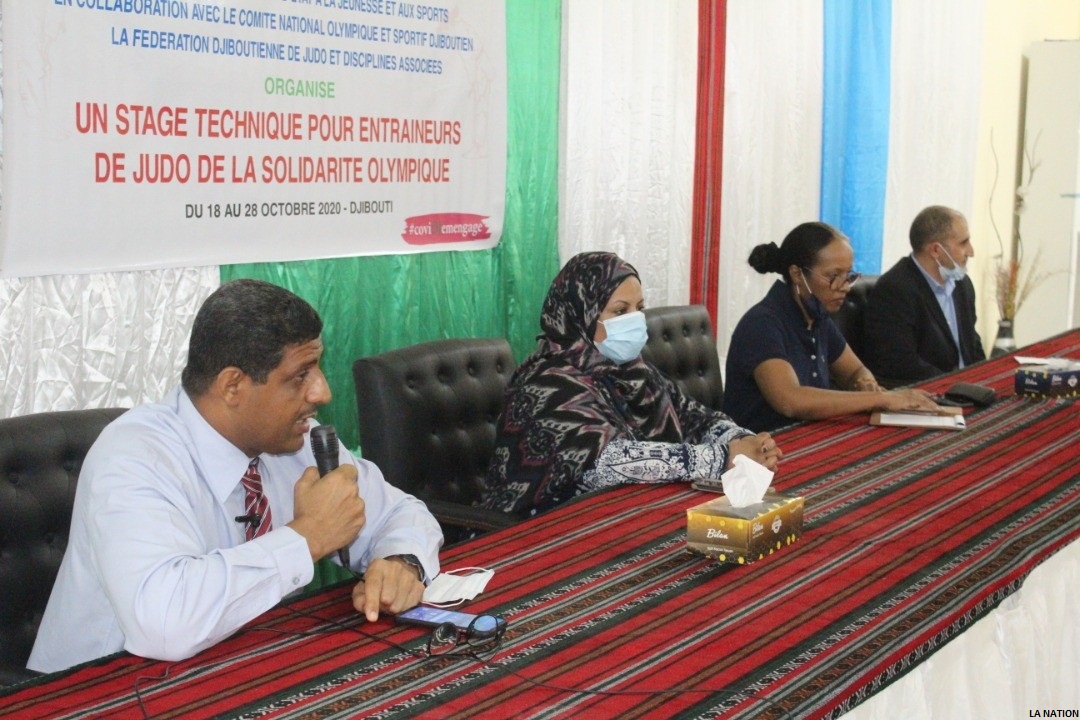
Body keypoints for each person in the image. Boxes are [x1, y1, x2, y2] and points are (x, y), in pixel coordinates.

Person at [28, 279, 442, 674]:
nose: (322, 392)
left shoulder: (298, 442)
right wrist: (308, 537)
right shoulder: (135, 457)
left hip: (243, 669)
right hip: (98, 690)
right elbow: (165, 622)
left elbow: (401, 512)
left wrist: (401, 561)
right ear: (232, 386)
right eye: (301, 375)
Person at [479, 251, 780, 518]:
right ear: (581, 315)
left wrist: (746, 441)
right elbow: (608, 463)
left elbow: (696, 418)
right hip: (542, 532)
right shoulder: (544, 386)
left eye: (640, 307)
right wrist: (723, 457)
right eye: (621, 311)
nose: (636, 320)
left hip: (623, 517)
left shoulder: (633, 371)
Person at [723, 221, 941, 432]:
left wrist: (864, 383)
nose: (844, 287)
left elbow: (854, 370)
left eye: (848, 275)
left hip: (810, 437)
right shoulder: (762, 324)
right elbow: (790, 400)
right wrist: (879, 398)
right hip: (760, 453)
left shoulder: (817, 316)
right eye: (833, 276)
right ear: (797, 274)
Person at [862, 206, 985, 387]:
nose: (971, 251)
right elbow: (902, 365)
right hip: (927, 394)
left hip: (966, 390)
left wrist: (985, 377)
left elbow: (972, 344)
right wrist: (957, 385)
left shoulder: (962, 285)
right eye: (963, 243)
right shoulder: (895, 290)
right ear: (936, 250)